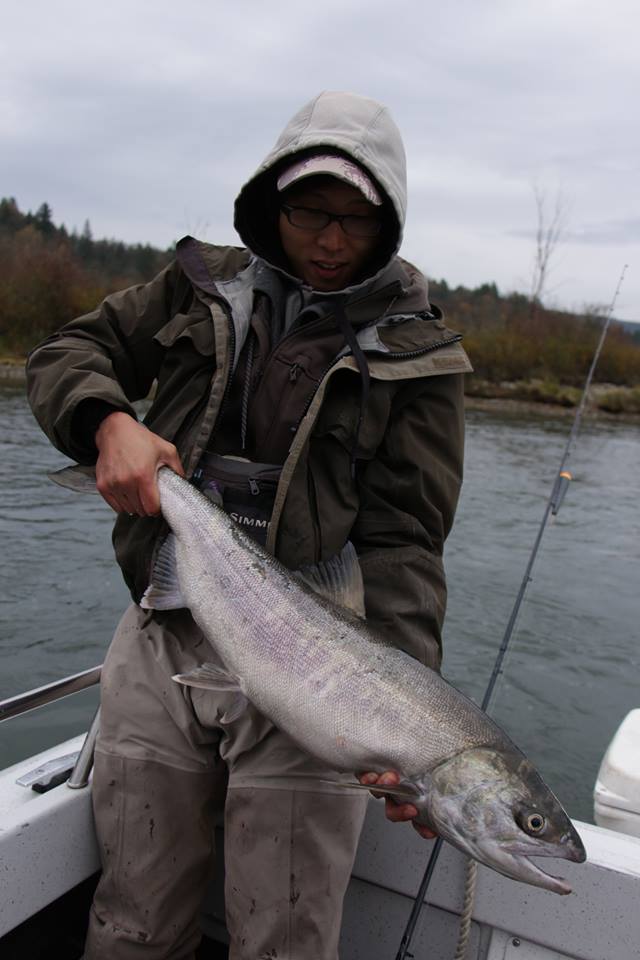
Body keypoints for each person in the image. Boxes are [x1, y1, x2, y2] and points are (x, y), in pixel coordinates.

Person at [26, 91, 471, 960]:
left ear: (391, 221)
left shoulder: (422, 359)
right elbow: (64, 355)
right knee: (133, 922)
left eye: (357, 219)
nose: (332, 239)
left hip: (320, 677)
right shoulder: (196, 286)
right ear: (273, 202)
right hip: (167, 632)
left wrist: (407, 724)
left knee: (287, 940)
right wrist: (106, 423)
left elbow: (407, 544)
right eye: (312, 211)